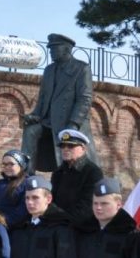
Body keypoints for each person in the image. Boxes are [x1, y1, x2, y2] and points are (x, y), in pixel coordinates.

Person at [21, 33, 97, 171]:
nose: (51, 51)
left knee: (68, 144)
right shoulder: (49, 70)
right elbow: (43, 98)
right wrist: (35, 115)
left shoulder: (81, 68)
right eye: (50, 49)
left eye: (55, 48)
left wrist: (74, 123)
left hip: (69, 120)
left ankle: (69, 175)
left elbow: (85, 98)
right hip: (48, 122)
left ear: (67, 49)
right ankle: (27, 174)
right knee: (30, 131)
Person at [50, 130, 104, 224]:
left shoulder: (93, 172)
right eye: (63, 146)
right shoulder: (58, 172)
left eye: (71, 146)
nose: (65, 149)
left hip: (81, 226)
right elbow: (51, 200)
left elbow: (87, 208)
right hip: (57, 224)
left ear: (83, 148)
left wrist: (60, 217)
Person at [0, 149, 30, 226]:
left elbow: (22, 212)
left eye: (11, 164)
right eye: (4, 164)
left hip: (17, 228)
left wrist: (1, 221)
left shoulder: (27, 184)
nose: (7, 167)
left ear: (21, 165)